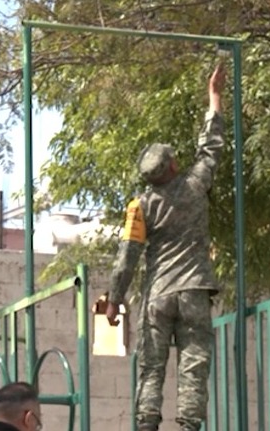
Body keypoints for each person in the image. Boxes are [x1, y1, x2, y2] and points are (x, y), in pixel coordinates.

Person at [106, 62, 227, 431]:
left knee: (152, 367)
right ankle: (190, 425)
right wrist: (215, 94)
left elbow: (127, 257)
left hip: (158, 295)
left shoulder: (139, 207)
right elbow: (211, 148)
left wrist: (114, 299)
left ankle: (146, 424)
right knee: (193, 364)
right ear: (173, 165)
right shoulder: (195, 185)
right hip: (193, 289)